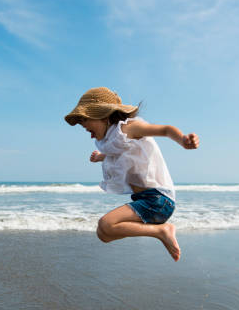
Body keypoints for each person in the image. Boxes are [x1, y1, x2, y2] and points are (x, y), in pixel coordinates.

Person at [65, 87, 199, 261]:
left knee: (106, 223)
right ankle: (159, 230)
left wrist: (183, 140)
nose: (84, 128)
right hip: (146, 200)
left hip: (158, 200)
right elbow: (121, 153)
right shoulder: (114, 139)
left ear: (102, 114)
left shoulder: (130, 127)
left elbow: (165, 130)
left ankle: (162, 230)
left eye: (85, 121)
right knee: (103, 234)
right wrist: (101, 157)